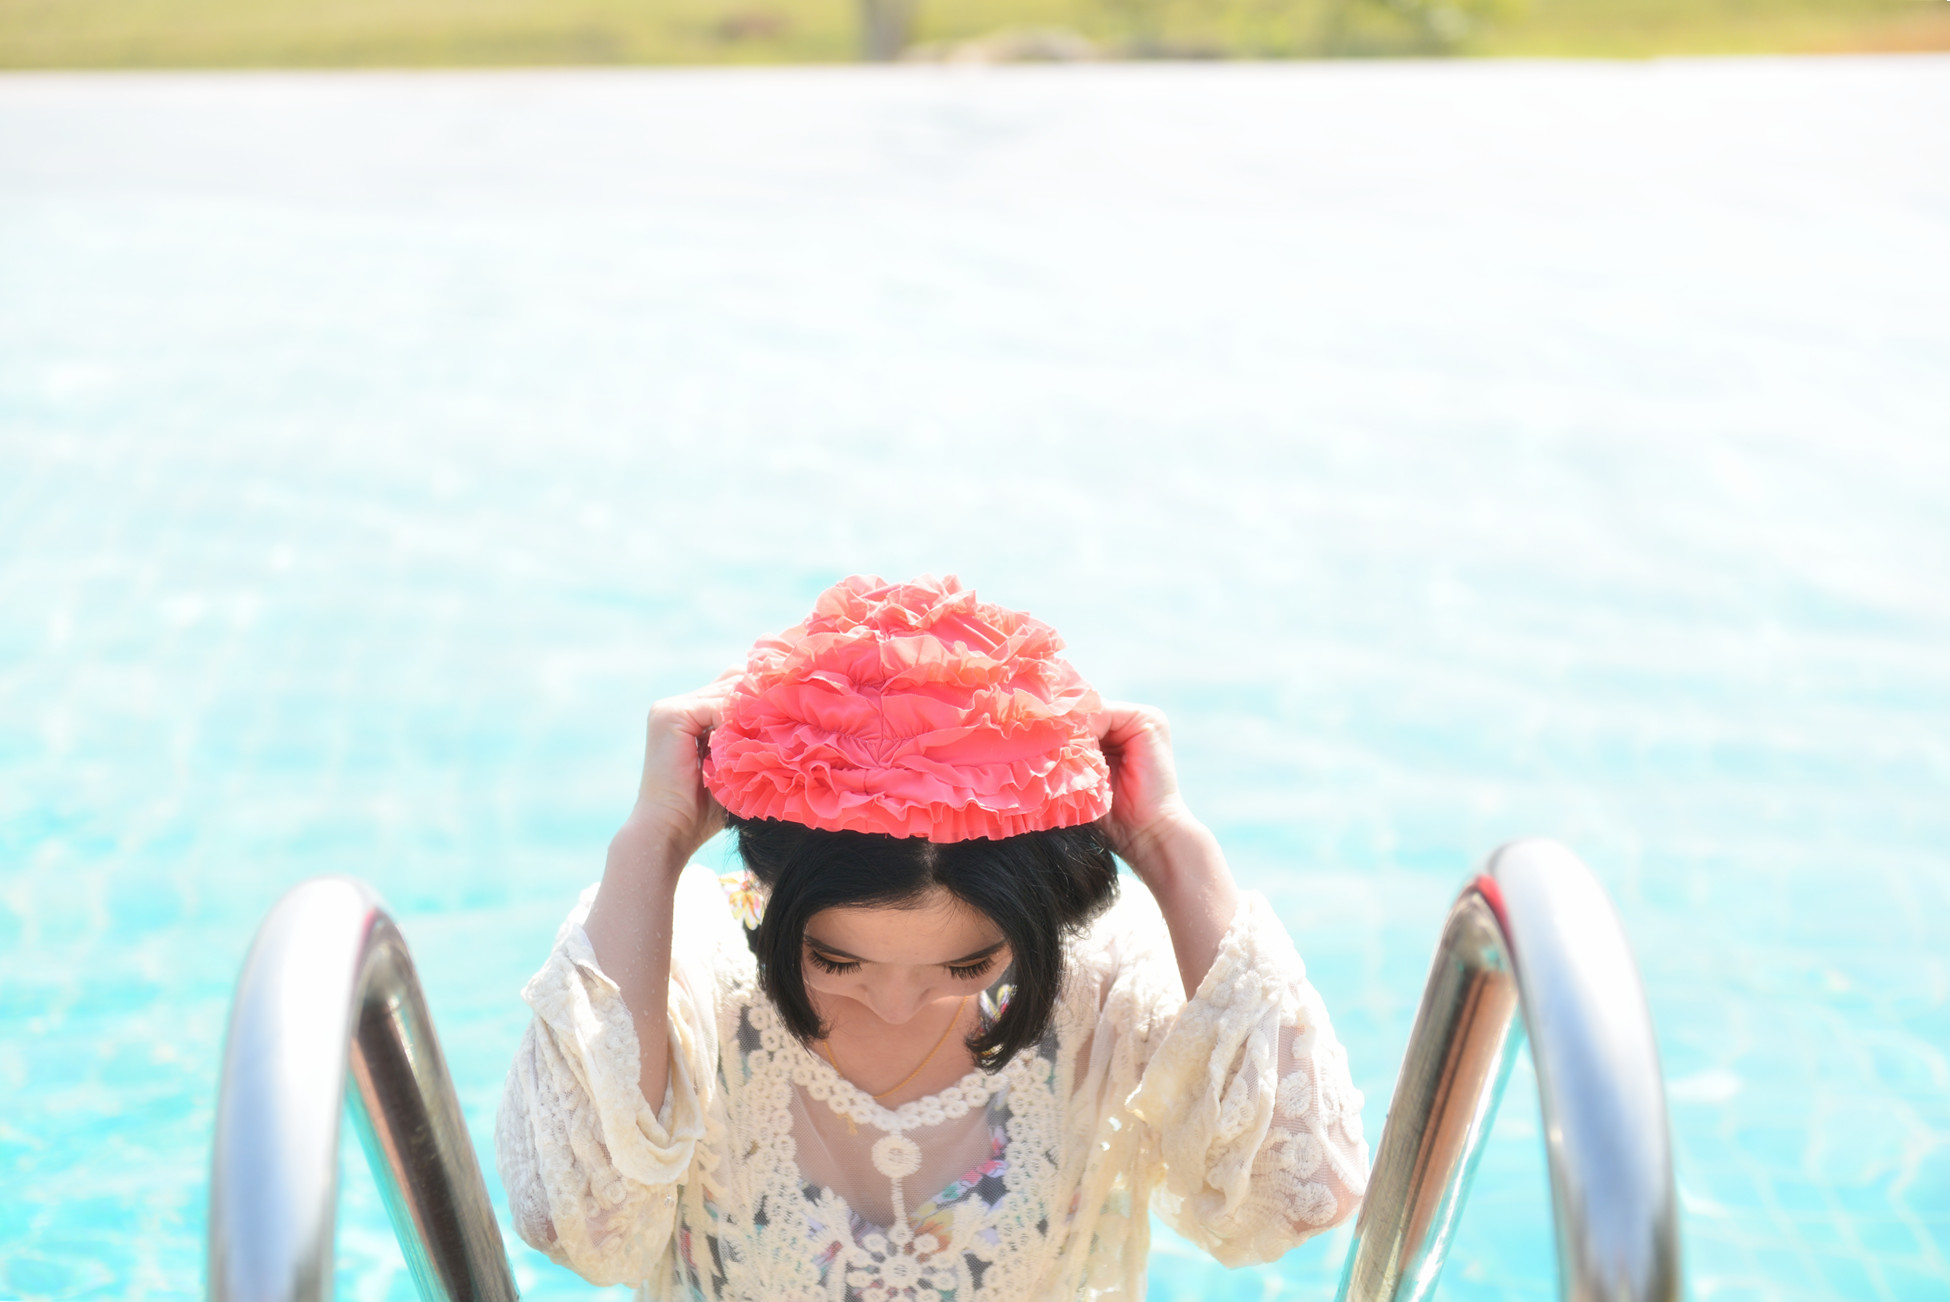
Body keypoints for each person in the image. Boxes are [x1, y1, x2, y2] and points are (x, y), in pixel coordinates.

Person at [495, 575, 1369, 1301]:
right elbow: (579, 1228)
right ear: (769, 886)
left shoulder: (1102, 970)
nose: (896, 999)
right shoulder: (687, 951)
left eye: (967, 962)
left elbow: (1297, 1200)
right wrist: (650, 840)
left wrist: (1172, 842)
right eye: (836, 959)